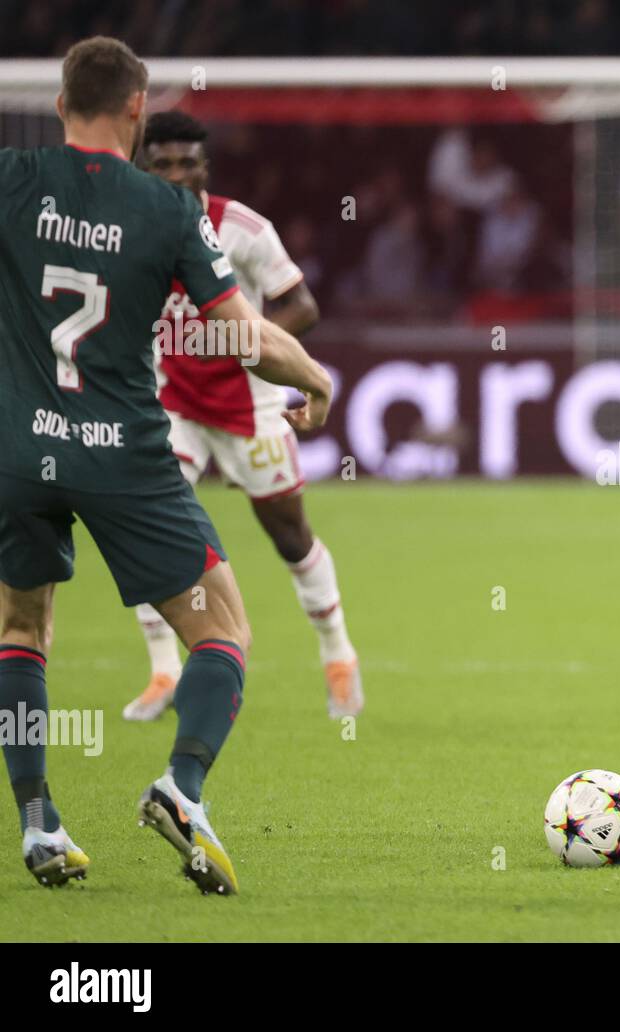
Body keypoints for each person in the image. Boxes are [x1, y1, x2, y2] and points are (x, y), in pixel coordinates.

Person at [0, 37, 333, 892]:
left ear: (60, 99)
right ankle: (181, 787)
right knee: (222, 629)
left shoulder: (12, 179)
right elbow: (243, 335)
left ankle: (39, 826)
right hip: (125, 461)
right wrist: (315, 376)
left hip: (20, 452)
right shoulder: (167, 210)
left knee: (20, 630)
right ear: (138, 109)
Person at [127, 110, 362, 723]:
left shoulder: (242, 230)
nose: (177, 174)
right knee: (145, 521)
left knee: (289, 536)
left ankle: (338, 656)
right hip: (171, 403)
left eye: (188, 162)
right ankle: (161, 669)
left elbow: (302, 306)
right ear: (143, 167)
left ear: (207, 167)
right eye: (163, 164)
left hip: (250, 405)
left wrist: (242, 341)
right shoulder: (127, 224)